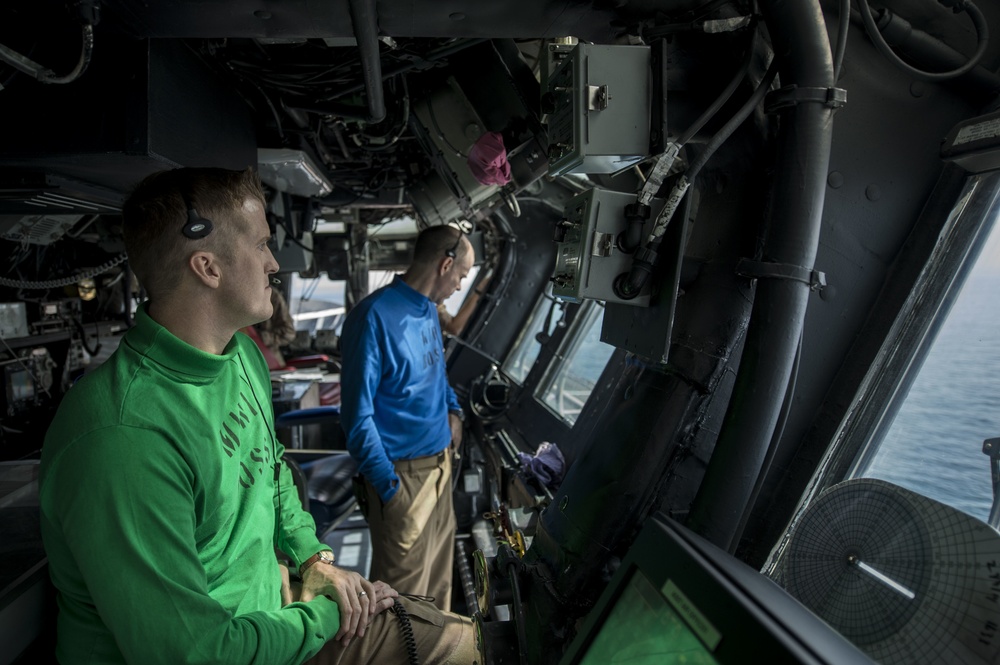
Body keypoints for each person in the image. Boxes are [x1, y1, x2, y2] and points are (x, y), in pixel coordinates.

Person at [38, 166, 475, 665]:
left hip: (274, 616)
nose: (274, 263)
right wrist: (331, 616)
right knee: (453, 648)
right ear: (208, 268)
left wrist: (315, 561)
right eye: (262, 245)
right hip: (233, 645)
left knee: (456, 633)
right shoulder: (121, 436)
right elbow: (195, 653)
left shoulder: (240, 357)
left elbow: (272, 470)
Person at [339, 225, 474, 612]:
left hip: (440, 472)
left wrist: (454, 410)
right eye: (462, 275)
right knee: (405, 610)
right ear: (445, 265)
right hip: (403, 481)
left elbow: (437, 374)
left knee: (439, 593)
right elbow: (356, 419)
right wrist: (391, 491)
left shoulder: (428, 309)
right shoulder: (373, 319)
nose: (460, 285)